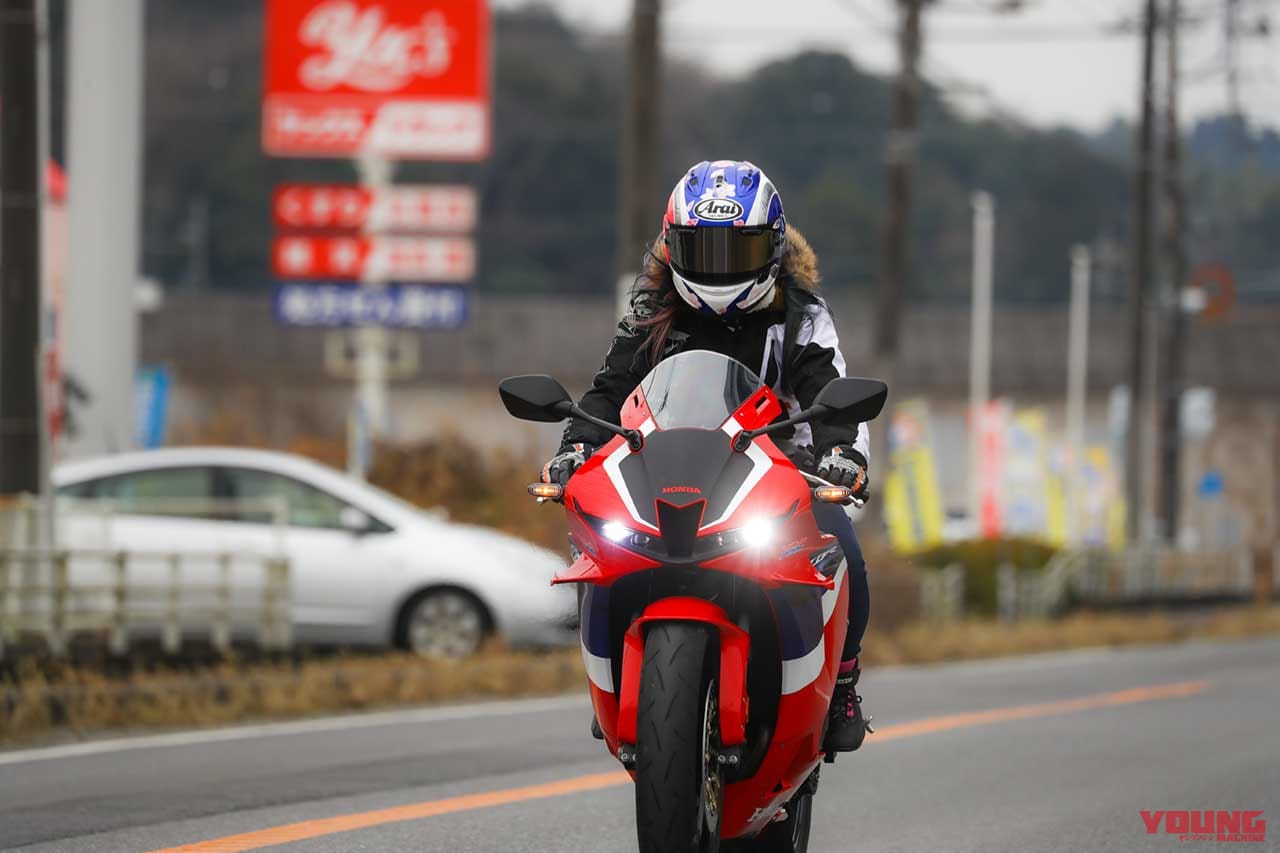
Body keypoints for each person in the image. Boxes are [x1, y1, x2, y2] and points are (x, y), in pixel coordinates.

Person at [543, 159, 873, 752]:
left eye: (737, 251)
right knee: (597, 537)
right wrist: (573, 446)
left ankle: (843, 681)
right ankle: (614, 675)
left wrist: (843, 455)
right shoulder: (651, 311)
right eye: (702, 250)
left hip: (778, 470)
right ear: (673, 247)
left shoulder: (802, 317)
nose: (719, 268)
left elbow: (832, 397)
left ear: (770, 249)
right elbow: (608, 388)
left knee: (842, 544)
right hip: (663, 462)